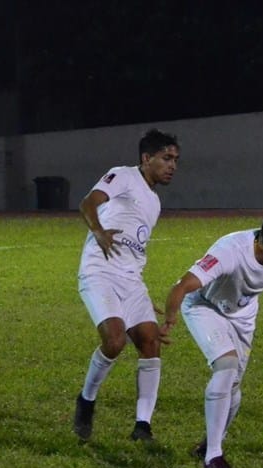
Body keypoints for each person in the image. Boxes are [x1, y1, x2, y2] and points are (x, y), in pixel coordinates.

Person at [160, 207, 263, 468]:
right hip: (205, 306)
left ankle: (209, 445)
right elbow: (182, 285)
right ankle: (214, 457)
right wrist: (170, 318)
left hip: (242, 313)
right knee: (226, 366)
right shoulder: (229, 251)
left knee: (234, 385)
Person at [73, 128, 180, 442]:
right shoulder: (122, 175)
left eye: (176, 159)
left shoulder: (155, 203)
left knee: (150, 341)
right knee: (115, 341)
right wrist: (98, 231)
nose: (172, 165)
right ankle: (86, 400)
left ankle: (142, 426)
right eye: (166, 158)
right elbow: (87, 203)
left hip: (131, 281)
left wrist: (141, 295)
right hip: (99, 272)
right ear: (146, 158)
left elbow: (136, 247)